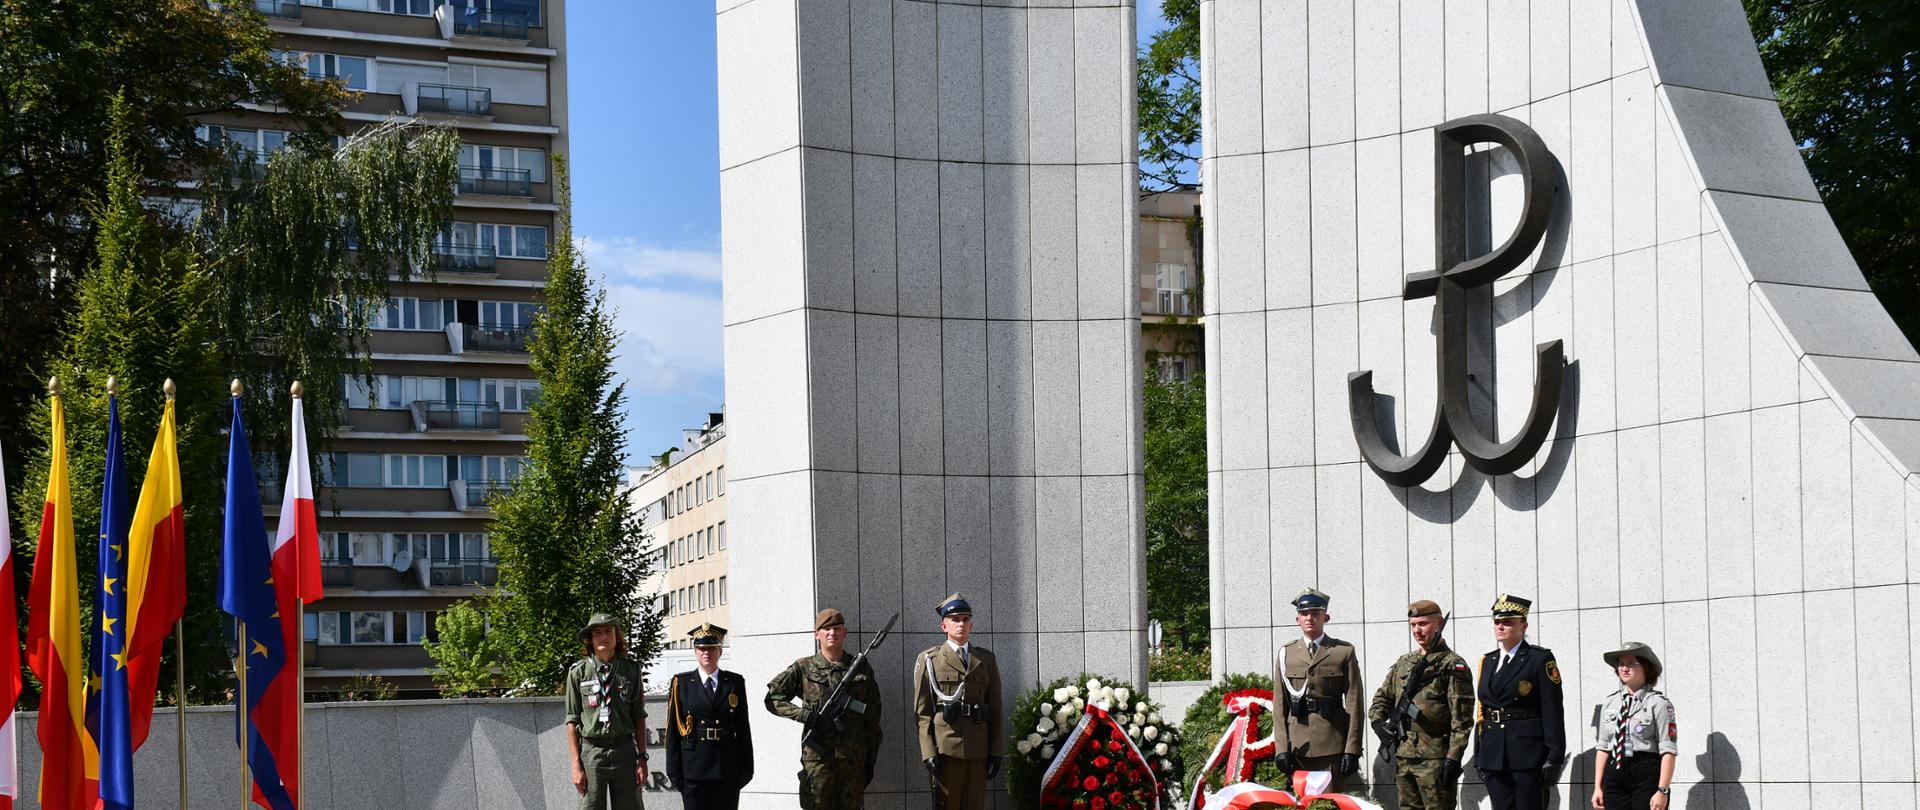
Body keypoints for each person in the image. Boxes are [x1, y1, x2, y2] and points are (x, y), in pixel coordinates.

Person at [765, 608, 884, 810]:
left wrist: (870, 759)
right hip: (818, 761)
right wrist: (806, 716)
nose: (832, 633)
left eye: (837, 628)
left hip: (853, 760)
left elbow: (872, 717)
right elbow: (773, 698)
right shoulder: (804, 667)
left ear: (844, 633)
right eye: (826, 629)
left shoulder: (860, 668)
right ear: (816, 633)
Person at [1368, 600, 1474, 810]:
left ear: (1439, 623)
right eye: (1413, 625)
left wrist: (1453, 759)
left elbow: (1461, 721)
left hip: (1436, 759)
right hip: (1404, 756)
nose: (1417, 630)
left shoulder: (1452, 665)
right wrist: (1378, 724)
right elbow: (1381, 699)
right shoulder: (1405, 662)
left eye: (1423, 624)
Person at [913, 594, 1005, 810]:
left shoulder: (986, 659)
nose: (961, 624)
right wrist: (928, 753)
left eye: (965, 619)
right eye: (955, 619)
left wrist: (996, 752)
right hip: (946, 749)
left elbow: (996, 709)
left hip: (978, 749)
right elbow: (922, 712)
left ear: (971, 624)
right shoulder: (929, 659)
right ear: (943, 625)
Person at [1474, 595, 1565, 810]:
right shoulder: (1488, 661)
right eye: (1497, 622)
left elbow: (1552, 708)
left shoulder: (1539, 659)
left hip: (1527, 753)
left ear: (1523, 625)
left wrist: (1555, 756)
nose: (1501, 627)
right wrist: (1479, 753)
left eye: (1508, 622)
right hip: (1494, 752)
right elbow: (1483, 710)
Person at [1273, 588, 1366, 789]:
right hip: (1298, 747)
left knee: (1331, 803)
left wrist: (1352, 750)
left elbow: (1354, 704)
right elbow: (1279, 707)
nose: (1310, 618)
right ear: (1297, 618)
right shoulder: (1286, 654)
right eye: (1304, 614)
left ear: (1326, 617)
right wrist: (1281, 748)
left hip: (1332, 744)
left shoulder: (1343, 652)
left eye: (1315, 613)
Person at [666, 623, 754, 810]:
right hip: (694, 767)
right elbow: (673, 731)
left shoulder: (734, 682)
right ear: (696, 652)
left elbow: (743, 728)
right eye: (702, 649)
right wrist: (673, 770)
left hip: (726, 766)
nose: (706, 653)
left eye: (711, 649)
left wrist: (747, 768)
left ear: (720, 652)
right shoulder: (681, 683)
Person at [566, 613, 647, 810]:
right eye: (597, 633)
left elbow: (639, 717)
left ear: (617, 636)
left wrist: (642, 758)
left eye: (608, 631)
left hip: (624, 751)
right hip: (592, 752)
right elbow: (572, 721)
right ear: (590, 639)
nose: (603, 637)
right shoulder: (578, 673)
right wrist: (576, 765)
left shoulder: (631, 670)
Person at [1590, 642, 1677, 810]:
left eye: (1631, 663)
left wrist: (1662, 790)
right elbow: (1603, 747)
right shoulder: (1610, 702)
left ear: (1646, 668)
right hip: (1615, 772)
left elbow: (1668, 750)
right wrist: (1597, 787)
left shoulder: (1658, 703)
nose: (1624, 668)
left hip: (1646, 772)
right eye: (1621, 664)